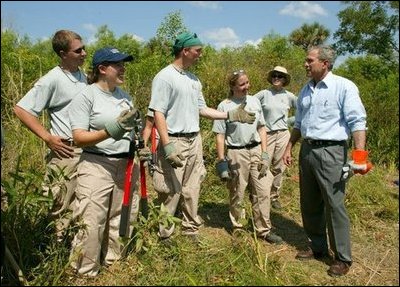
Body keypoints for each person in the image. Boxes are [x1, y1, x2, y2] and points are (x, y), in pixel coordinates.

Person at [148, 32, 256, 243]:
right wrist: (167, 145)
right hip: (174, 139)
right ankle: (165, 233)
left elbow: (202, 109)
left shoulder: (194, 80)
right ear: (185, 51)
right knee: (171, 188)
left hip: (193, 138)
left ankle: (190, 228)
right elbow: (157, 112)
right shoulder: (165, 77)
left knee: (193, 185)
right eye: (197, 51)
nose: (200, 55)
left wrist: (230, 115)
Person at [282, 45, 370, 277]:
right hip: (308, 150)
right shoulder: (305, 90)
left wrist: (359, 156)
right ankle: (318, 246)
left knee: (334, 204)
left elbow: (357, 121)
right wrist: (290, 146)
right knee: (309, 203)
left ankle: (342, 257)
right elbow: (299, 123)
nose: (305, 64)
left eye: (310, 60)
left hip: (332, 152)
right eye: (306, 60)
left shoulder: (343, 86)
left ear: (325, 63)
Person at [68, 47, 141, 277]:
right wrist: (111, 130)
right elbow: (79, 138)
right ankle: (85, 271)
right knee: (91, 220)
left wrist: (140, 147)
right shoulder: (86, 96)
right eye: (117, 64)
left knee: (122, 217)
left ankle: (114, 264)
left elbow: (130, 130)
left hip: (125, 165)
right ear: (102, 68)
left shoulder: (124, 96)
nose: (123, 68)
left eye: (124, 64)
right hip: (96, 165)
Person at [13, 30, 87, 239]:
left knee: (80, 204)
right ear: (63, 54)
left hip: (87, 150)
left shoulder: (83, 76)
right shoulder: (52, 79)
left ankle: (75, 249)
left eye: (83, 48)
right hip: (66, 153)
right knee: (59, 203)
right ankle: (55, 249)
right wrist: (47, 137)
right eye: (78, 50)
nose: (84, 53)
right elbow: (21, 110)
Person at [212, 70, 283, 244]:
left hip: (256, 150)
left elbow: (262, 127)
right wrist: (221, 160)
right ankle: (239, 226)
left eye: (248, 82)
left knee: (263, 190)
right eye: (242, 84)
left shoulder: (254, 101)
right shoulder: (225, 106)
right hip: (236, 153)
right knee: (238, 190)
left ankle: (263, 229)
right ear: (233, 86)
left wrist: (265, 154)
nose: (246, 87)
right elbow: (220, 135)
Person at [254, 66, 297, 210]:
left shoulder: (289, 96)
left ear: (285, 79)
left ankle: (274, 196)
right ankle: (260, 193)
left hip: (283, 134)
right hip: (266, 133)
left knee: (280, 166)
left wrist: (291, 120)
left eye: (280, 76)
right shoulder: (263, 94)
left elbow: (303, 110)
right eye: (274, 76)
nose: (276, 78)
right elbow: (250, 105)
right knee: (263, 164)